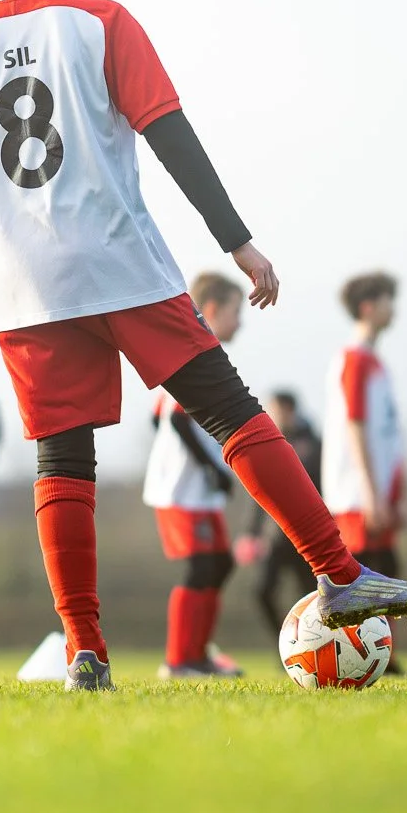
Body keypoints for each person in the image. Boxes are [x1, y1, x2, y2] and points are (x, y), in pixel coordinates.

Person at [0, 0, 407, 691]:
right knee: (231, 411)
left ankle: (85, 649)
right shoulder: (101, 20)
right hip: (120, 264)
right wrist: (237, 240)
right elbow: (170, 136)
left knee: (64, 461)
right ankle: (342, 574)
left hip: (22, 288)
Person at [144, 273, 248, 679]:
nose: (241, 322)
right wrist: (206, 468)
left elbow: (157, 415)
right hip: (182, 491)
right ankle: (179, 660)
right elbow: (175, 418)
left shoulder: (205, 353)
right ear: (213, 311)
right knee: (202, 568)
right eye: (237, 312)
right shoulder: (193, 353)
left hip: (200, 491)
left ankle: (199, 655)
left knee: (220, 564)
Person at [322, 271, 407, 670]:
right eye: (389, 300)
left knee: (387, 569)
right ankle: (352, 655)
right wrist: (371, 492)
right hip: (358, 493)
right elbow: (355, 426)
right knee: (363, 575)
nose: (395, 309)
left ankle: (382, 655)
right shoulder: (355, 360)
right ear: (368, 307)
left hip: (376, 490)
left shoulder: (375, 360)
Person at [244, 389, 320, 633]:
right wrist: (251, 532)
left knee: (312, 598)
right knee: (262, 592)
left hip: (305, 534)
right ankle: (285, 642)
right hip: (274, 536)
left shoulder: (314, 445)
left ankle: (313, 646)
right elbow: (260, 491)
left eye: (275, 410)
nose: (272, 415)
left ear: (289, 410)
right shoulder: (268, 442)